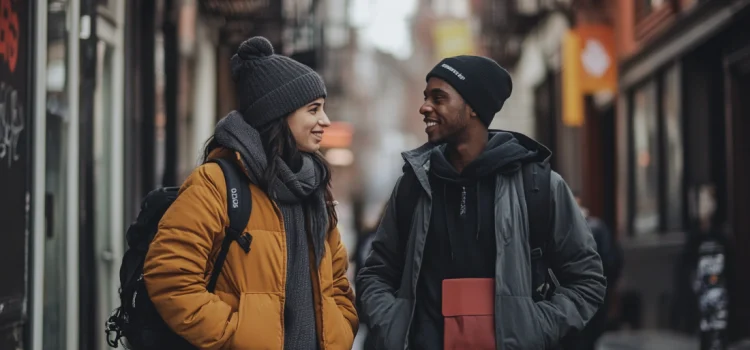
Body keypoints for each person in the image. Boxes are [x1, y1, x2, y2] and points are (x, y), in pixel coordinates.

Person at [356, 55, 606, 349]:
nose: (425, 107)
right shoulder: (412, 187)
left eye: (439, 98)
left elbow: (587, 281)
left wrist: (535, 327)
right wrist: (395, 326)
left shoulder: (539, 186)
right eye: (426, 98)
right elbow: (375, 273)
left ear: (473, 107)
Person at [142, 36, 358, 349]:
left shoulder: (314, 190)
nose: (324, 121)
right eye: (313, 110)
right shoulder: (215, 184)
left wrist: (340, 331)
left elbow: (337, 283)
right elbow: (170, 276)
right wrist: (236, 335)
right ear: (279, 115)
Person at [573, 193, 624, 350]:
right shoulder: (598, 227)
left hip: (574, 295)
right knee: (591, 336)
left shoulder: (565, 229)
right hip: (596, 293)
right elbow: (612, 260)